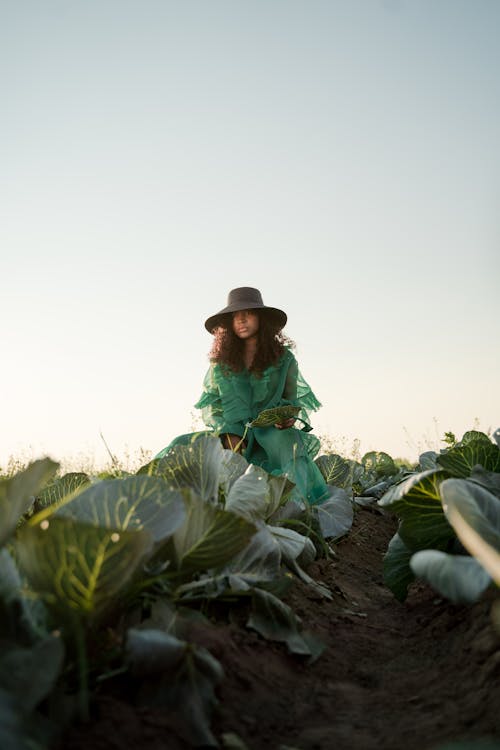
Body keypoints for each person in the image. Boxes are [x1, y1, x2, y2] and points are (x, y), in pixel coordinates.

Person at [155, 287, 330, 505]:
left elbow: (291, 400)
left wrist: (287, 418)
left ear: (262, 319)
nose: (241, 320)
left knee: (289, 443)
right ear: (228, 324)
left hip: (271, 432)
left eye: (248, 313)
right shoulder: (220, 364)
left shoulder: (285, 359)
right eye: (235, 316)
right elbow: (214, 406)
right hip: (233, 433)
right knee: (181, 444)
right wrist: (228, 432)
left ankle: (294, 506)